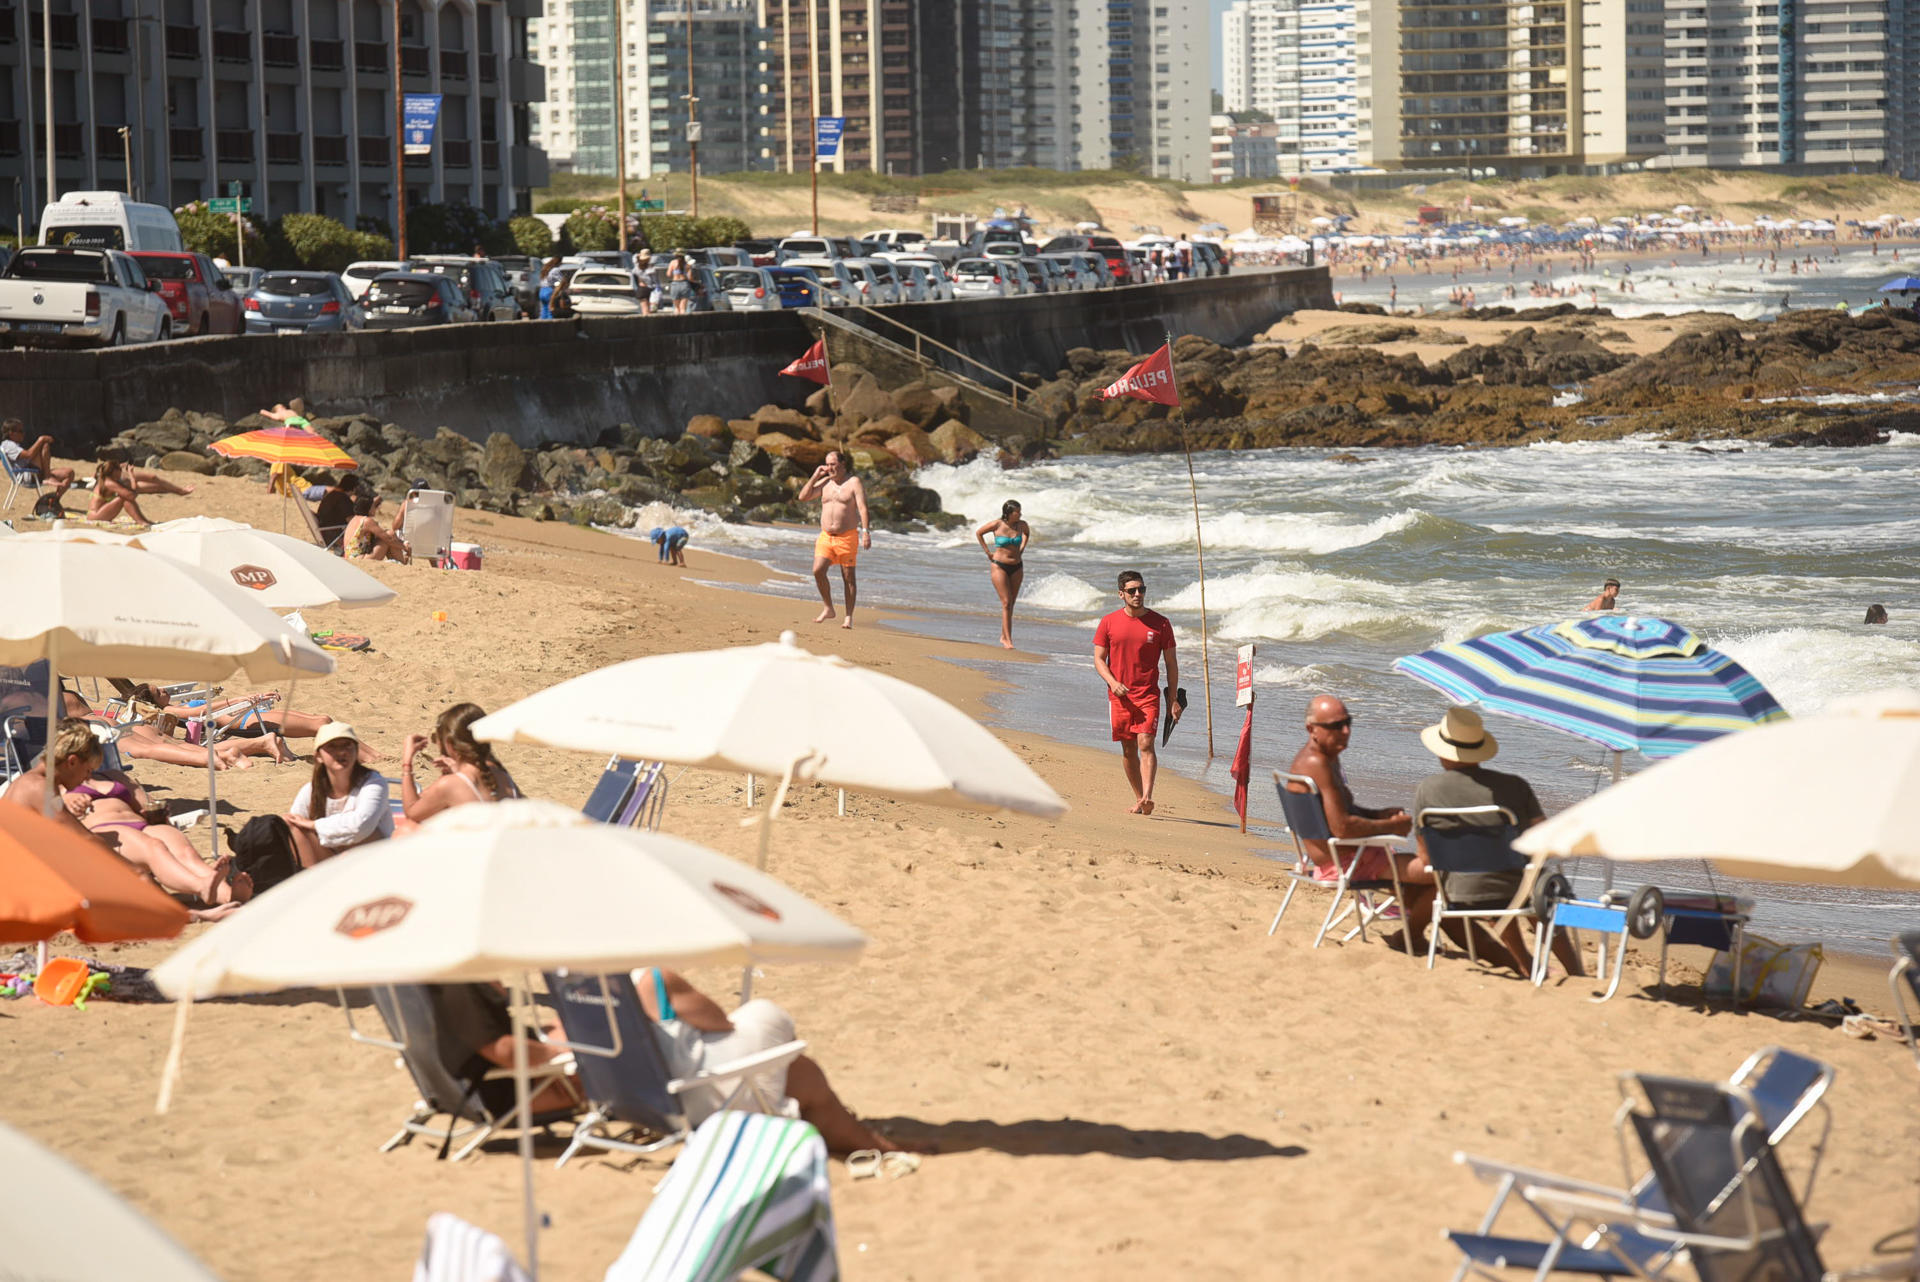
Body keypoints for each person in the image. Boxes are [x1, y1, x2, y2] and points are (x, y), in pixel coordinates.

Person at [636, 967, 931, 1155]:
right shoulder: (652, 980)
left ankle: (843, 1129)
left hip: (650, 1107)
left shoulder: (594, 998)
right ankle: (864, 1141)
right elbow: (718, 1022)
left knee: (788, 1069)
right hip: (705, 1104)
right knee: (784, 1043)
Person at [1, 720, 249, 912]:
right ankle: (200, 889)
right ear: (73, 761)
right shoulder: (48, 785)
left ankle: (225, 895)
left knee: (183, 853)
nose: (86, 777)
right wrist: (70, 799)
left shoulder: (107, 777)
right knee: (153, 848)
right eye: (87, 770)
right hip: (98, 836)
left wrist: (153, 813)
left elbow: (142, 804)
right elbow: (68, 827)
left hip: (135, 826)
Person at [1409, 706, 1583, 978]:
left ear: (1443, 751)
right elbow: (1542, 840)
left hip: (1457, 893)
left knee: (1499, 882)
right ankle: (1575, 971)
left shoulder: (1427, 790)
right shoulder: (1514, 786)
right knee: (1535, 886)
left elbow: (1427, 858)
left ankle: (1525, 962)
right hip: (1513, 888)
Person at [1284, 694, 1434, 946]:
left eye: (1348, 722)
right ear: (1311, 729)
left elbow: (1344, 811)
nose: (1345, 731)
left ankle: (1412, 934)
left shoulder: (1323, 756)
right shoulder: (1316, 763)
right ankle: (1412, 936)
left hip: (1334, 857)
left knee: (1425, 884)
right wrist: (1392, 827)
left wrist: (1379, 814)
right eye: (1335, 726)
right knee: (1437, 872)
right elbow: (1342, 827)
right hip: (1346, 861)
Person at [1092, 570, 1179, 816]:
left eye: (1141, 589)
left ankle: (1149, 797)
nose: (1138, 594)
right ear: (1121, 594)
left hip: (1148, 694)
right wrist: (1112, 682)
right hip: (1119, 696)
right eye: (1132, 591)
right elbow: (1099, 659)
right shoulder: (1108, 622)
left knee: (1146, 742)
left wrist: (1173, 699)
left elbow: (1171, 664)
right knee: (1128, 748)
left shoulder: (1161, 623)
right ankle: (1139, 797)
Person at [284, 722, 391, 867]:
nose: (341, 752)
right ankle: (312, 881)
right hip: (329, 859)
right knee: (292, 826)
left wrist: (313, 825)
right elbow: (293, 824)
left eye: (347, 745)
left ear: (356, 750)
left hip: (371, 860)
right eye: (332, 747)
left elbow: (361, 826)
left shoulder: (373, 783)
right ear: (319, 756)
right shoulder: (311, 790)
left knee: (369, 833)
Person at [399, 702, 522, 826]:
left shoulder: (450, 784)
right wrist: (456, 771)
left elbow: (411, 812)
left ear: (449, 744)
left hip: (479, 844)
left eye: (437, 738)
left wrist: (407, 761)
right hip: (509, 842)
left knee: (407, 829)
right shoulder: (502, 774)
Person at [797, 450, 870, 629]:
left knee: (848, 578)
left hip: (847, 537)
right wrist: (815, 476)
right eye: (827, 464)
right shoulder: (825, 483)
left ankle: (848, 617)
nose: (829, 468)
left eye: (833, 464)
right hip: (826, 537)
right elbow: (803, 497)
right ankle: (828, 608)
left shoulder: (853, 483)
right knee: (817, 570)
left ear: (843, 464)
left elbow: (863, 508)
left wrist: (866, 532)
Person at [974, 500, 1032, 650]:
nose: (1020, 514)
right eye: (1017, 512)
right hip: (999, 566)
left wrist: (1022, 548)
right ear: (1009, 513)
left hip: (1017, 567)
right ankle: (1008, 640)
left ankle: (1003, 636)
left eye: (1020, 511)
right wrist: (987, 552)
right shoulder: (997, 524)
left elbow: (1027, 534)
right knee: (1006, 602)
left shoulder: (1022, 525)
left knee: (1011, 604)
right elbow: (979, 532)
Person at [1, 418, 74, 507]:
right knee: (44, 445)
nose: (23, 434)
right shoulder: (8, 445)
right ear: (11, 433)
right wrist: (41, 440)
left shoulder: (12, 445)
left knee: (69, 473)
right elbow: (28, 455)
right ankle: (47, 477)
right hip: (28, 475)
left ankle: (54, 501)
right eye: (20, 431)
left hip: (33, 472)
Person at [86, 457, 155, 525]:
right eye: (120, 470)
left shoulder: (106, 479)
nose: (121, 472)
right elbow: (132, 495)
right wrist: (131, 476)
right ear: (114, 471)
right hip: (95, 516)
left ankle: (143, 521)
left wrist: (130, 474)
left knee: (125, 496)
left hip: (95, 515)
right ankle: (142, 522)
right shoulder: (109, 483)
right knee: (124, 498)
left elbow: (131, 492)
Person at [344, 492, 410, 563]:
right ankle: (402, 563)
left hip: (350, 557)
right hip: (360, 559)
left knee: (389, 535)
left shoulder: (355, 518)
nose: (376, 508)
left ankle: (400, 562)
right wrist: (405, 547)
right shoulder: (366, 521)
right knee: (389, 534)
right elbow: (388, 538)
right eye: (374, 506)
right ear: (368, 508)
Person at [305, 472, 363, 550]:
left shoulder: (331, 495)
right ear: (354, 488)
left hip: (325, 531)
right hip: (334, 535)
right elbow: (351, 521)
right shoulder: (343, 499)